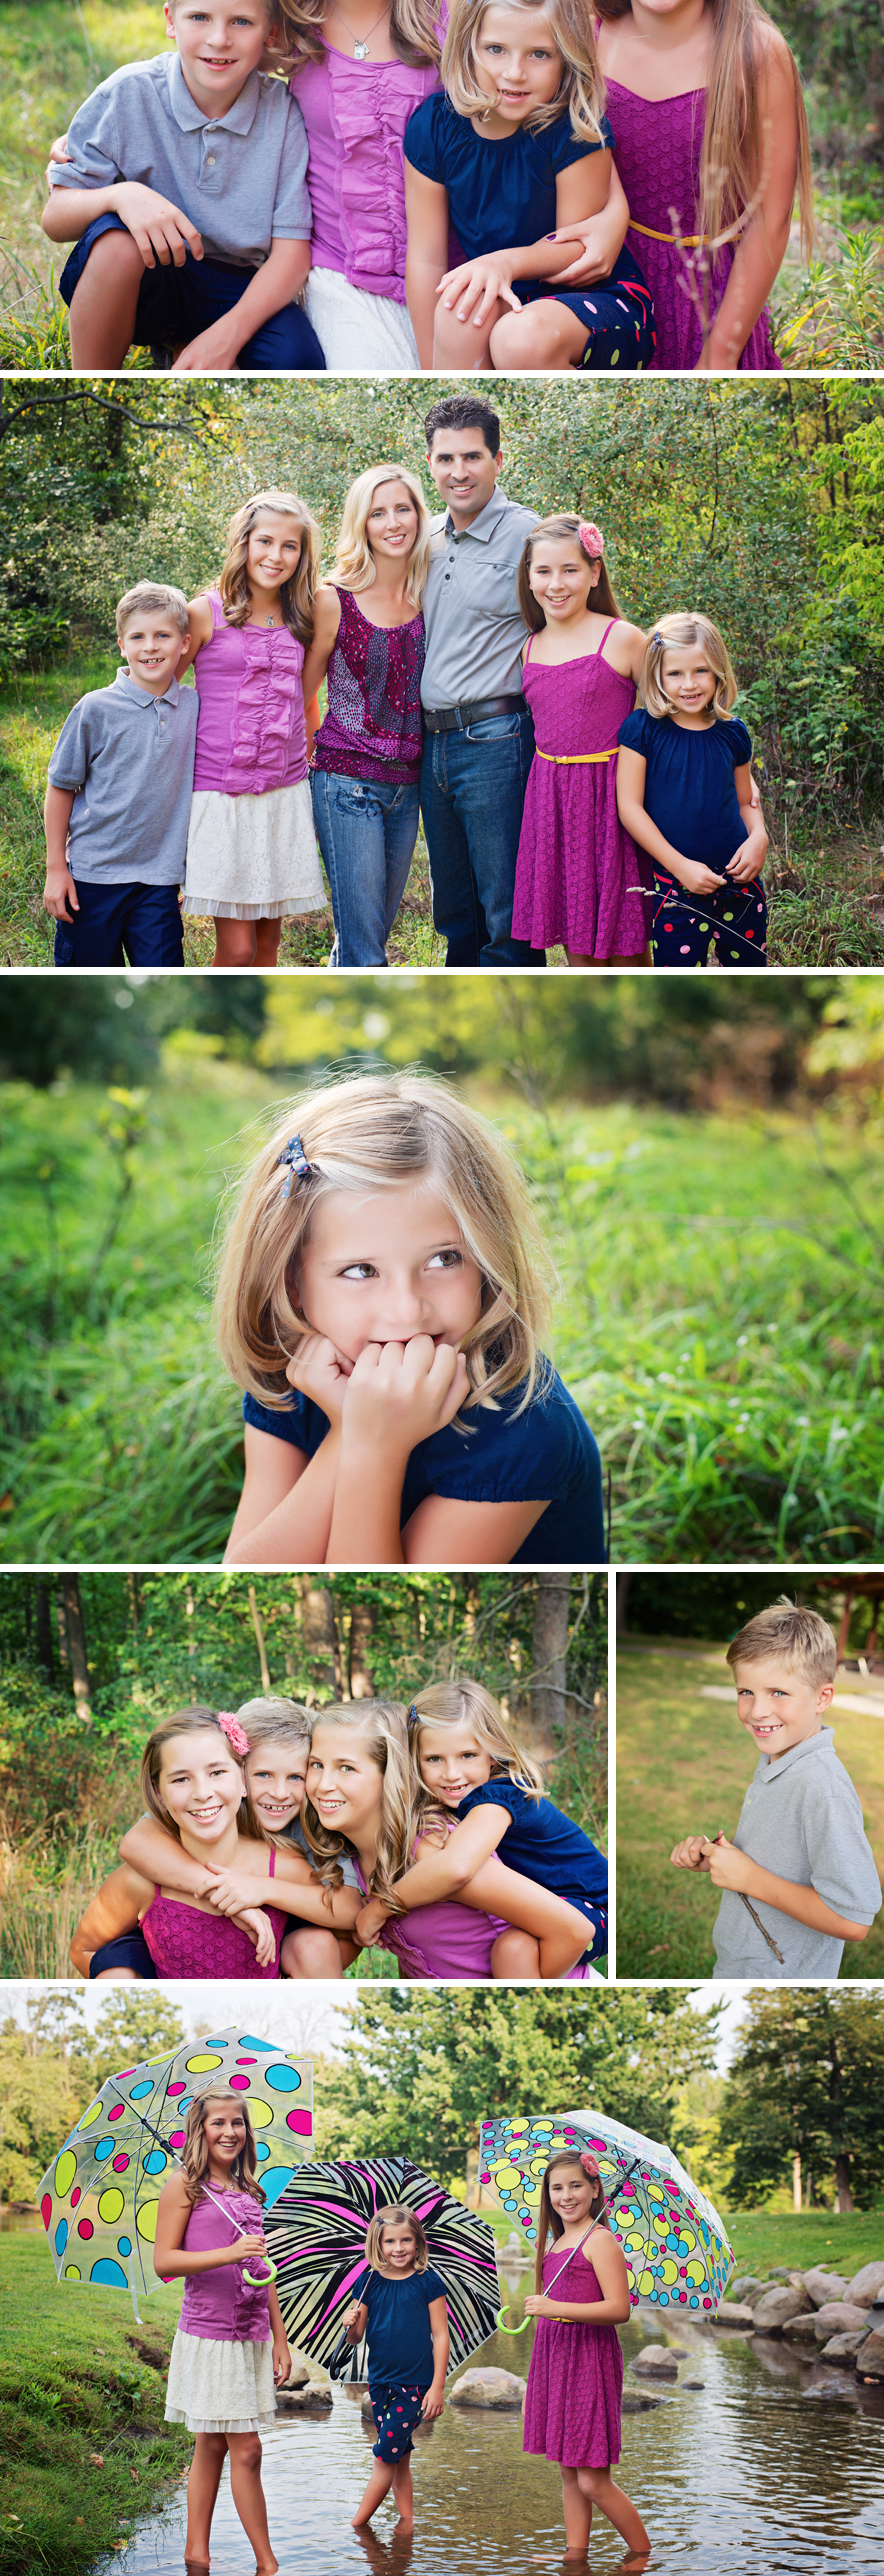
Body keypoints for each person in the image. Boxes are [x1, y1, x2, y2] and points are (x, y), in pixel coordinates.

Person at [215, 1070, 606, 1565]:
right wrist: (346, 1432)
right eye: (361, 1270)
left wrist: (373, 1450)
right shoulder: (292, 1371)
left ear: (489, 1258)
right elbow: (249, 1574)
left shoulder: (525, 1431)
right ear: (291, 1280)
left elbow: (370, 1606)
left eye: (444, 1259)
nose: (407, 1310)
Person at [563, 0, 814, 371]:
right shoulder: (583, 40)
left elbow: (769, 222)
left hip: (714, 298)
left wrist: (718, 354)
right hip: (605, 288)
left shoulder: (755, 52)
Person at [41, 0, 324, 373]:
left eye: (241, 21)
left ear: (269, 31)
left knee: (298, 359)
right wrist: (121, 193)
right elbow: (55, 218)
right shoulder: (128, 92)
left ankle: (192, 344)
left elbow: (292, 252)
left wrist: (225, 338)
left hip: (237, 285)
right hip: (147, 273)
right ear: (171, 20)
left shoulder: (283, 113)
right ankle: (95, 379)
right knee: (116, 245)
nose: (218, 38)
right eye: (199, 17)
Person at [403, 0, 654, 371]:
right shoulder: (434, 127)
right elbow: (425, 258)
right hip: (508, 292)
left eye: (539, 54)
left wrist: (504, 262)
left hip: (596, 302)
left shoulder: (574, 127)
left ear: (566, 58)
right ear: (468, 46)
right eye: (496, 49)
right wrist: (431, 368)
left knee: (518, 339)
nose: (515, 72)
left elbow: (578, 254)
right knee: (458, 310)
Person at [274, 0, 457, 366]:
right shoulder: (286, 23)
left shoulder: (456, 10)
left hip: (457, 274)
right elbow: (203, 68)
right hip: (340, 276)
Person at [303, 1701, 593, 1979]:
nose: (324, 1784)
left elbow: (573, 1929)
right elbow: (417, 1961)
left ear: (392, 1774)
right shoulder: (356, 1859)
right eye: (316, 1765)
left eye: (346, 1768)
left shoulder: (434, 1850)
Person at [68, 1706, 360, 1981]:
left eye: (217, 1773)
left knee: (315, 1943)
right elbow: (134, 1844)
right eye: (181, 1779)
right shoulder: (142, 1873)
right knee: (116, 1969)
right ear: (160, 1794)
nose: (202, 1793)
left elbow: (347, 1921)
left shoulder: (303, 1842)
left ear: (238, 1780)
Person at [670, 1603, 882, 1979]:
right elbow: (781, 1853)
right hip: (743, 1966)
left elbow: (853, 1920)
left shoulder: (821, 1787)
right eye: (746, 1691)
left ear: (822, 1698)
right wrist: (717, 1856)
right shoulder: (779, 1758)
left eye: (779, 1693)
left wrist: (750, 1877)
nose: (757, 1711)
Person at [181, 492, 332, 971]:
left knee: (268, 948)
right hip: (220, 794)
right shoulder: (204, 611)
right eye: (265, 541)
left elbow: (304, 697)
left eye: (290, 546)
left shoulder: (303, 616)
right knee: (238, 949)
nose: (276, 556)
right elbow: (163, 689)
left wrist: (312, 751)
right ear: (243, 542)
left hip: (283, 794)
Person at [418, 393, 543, 966]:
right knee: (455, 911)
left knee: (506, 911)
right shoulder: (422, 540)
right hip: (432, 745)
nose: (458, 472)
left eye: (472, 456)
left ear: (498, 458)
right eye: (446, 459)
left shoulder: (529, 538)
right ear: (430, 462)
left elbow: (573, 625)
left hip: (497, 740)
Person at [155, 2089, 290, 2576]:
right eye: (218, 2123)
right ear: (201, 2129)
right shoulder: (184, 2187)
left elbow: (263, 2267)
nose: (230, 2132)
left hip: (250, 2333)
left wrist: (279, 2336)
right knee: (247, 2449)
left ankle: (197, 2556)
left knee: (212, 2445)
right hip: (210, 2336)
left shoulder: (249, 2192)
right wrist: (229, 2253)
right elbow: (165, 2262)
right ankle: (268, 2564)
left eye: (238, 2123)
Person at [511, 514, 652, 966]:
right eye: (544, 571)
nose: (556, 584)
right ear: (528, 577)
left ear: (594, 573)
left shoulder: (624, 638)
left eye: (570, 570)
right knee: (577, 941)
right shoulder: (528, 648)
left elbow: (663, 727)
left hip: (613, 800)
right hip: (553, 802)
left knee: (627, 939)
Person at [308, 464, 428, 964]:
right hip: (347, 782)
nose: (393, 522)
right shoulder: (334, 598)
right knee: (366, 951)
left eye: (403, 508)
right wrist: (319, 755)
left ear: (420, 516)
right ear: (362, 523)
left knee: (367, 940)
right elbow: (303, 687)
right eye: (378, 513)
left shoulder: (428, 596)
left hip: (408, 788)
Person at [43, 580, 197, 968]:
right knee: (85, 980)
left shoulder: (194, 706)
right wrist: (56, 868)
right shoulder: (94, 708)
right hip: (92, 880)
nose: (150, 646)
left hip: (158, 882)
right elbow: (60, 787)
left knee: (163, 972)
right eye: (138, 637)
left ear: (184, 644)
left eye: (163, 635)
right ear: (122, 645)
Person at [522, 2147, 651, 2568]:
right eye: (557, 2188)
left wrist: (556, 2308)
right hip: (555, 2358)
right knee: (567, 2469)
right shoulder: (557, 2241)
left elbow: (619, 2309)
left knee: (592, 2478)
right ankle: (576, 2555)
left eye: (576, 2185)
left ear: (596, 2189)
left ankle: (641, 2554)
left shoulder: (601, 2240)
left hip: (587, 2361)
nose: (566, 2195)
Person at [616, 612, 769, 965]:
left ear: (718, 671)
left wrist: (759, 837)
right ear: (657, 675)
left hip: (741, 880)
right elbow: (630, 808)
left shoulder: (734, 732)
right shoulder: (642, 729)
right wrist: (680, 866)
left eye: (700, 670)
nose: (689, 684)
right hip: (676, 887)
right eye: (675, 673)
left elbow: (747, 801)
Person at [343, 2206, 449, 2530]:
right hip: (380, 2383)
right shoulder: (368, 2282)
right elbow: (355, 2339)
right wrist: (349, 2324)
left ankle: (356, 2527)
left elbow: (441, 2335)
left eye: (406, 2240)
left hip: (415, 2385)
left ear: (418, 2242)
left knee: (384, 2457)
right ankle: (407, 2524)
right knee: (400, 2456)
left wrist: (438, 2386)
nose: (399, 2248)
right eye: (390, 2241)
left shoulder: (427, 2281)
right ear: (378, 2244)